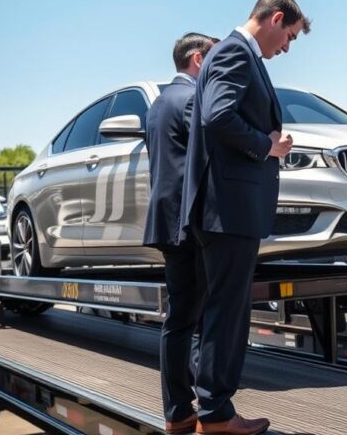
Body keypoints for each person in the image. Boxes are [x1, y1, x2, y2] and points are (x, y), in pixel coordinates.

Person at [181, 0, 310, 435]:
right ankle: (217, 414)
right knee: (227, 310)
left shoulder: (230, 53)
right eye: (289, 36)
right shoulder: (236, 52)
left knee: (219, 307)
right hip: (229, 209)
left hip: (225, 208)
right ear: (275, 18)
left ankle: (212, 409)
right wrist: (267, 146)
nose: (286, 48)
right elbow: (217, 116)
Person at [143, 32, 217, 435]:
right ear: (196, 59)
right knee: (191, 318)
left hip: (169, 222)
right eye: (214, 59)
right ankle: (190, 410)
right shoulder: (191, 98)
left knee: (180, 318)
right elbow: (209, 154)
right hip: (188, 224)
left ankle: (178, 410)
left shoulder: (158, 103)